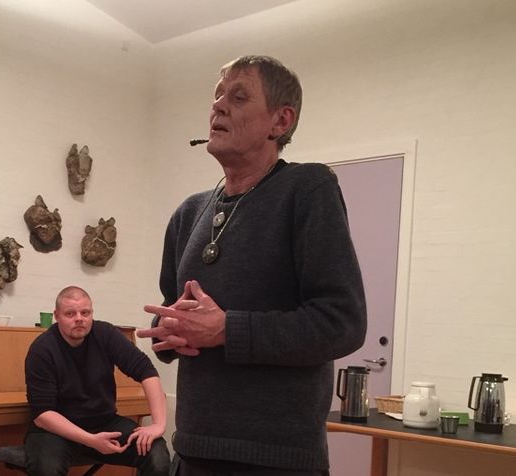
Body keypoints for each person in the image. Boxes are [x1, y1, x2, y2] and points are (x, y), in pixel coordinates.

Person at [137, 55, 367, 475]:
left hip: (276, 461)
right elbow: (174, 312)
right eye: (217, 96)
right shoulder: (188, 213)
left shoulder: (307, 188)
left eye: (238, 97)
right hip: (191, 451)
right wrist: (168, 330)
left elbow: (343, 323)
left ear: (280, 120)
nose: (218, 106)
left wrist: (227, 329)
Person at [25, 286, 171, 476]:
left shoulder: (106, 334)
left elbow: (146, 371)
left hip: (104, 422)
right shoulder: (42, 349)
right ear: (57, 316)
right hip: (55, 431)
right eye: (70, 313)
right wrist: (90, 440)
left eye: (85, 312)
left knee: (156, 453)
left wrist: (158, 424)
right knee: (47, 469)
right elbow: (42, 414)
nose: (79, 318)